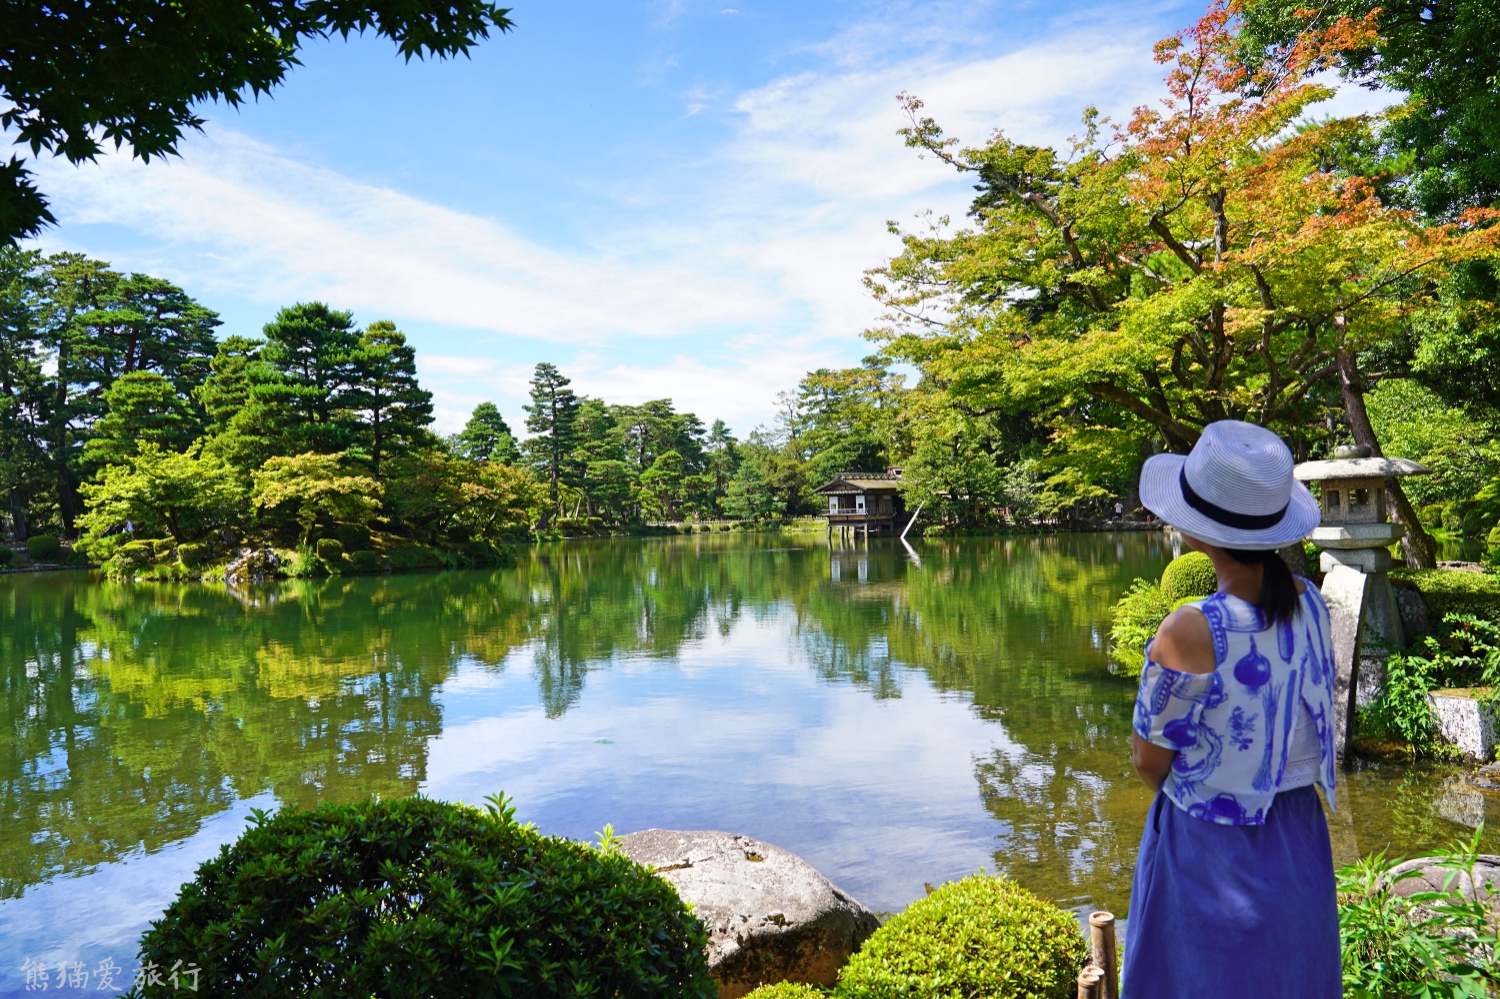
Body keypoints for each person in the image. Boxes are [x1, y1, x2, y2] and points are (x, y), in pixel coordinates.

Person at [1123, 420, 1339, 998]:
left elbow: (1149, 760)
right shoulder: (1310, 601)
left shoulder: (1191, 628)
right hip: (1298, 831)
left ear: (1196, 534)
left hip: (1211, 840)